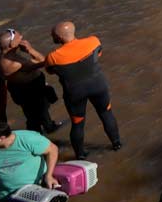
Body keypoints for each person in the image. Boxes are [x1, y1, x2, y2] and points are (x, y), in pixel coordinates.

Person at [44, 22, 122, 158]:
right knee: (106, 113)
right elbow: (98, 55)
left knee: (78, 123)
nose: (51, 37)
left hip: (75, 92)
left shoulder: (53, 57)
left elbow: (50, 71)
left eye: (52, 35)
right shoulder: (93, 41)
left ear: (60, 37)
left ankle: (80, 155)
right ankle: (117, 144)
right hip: (98, 86)